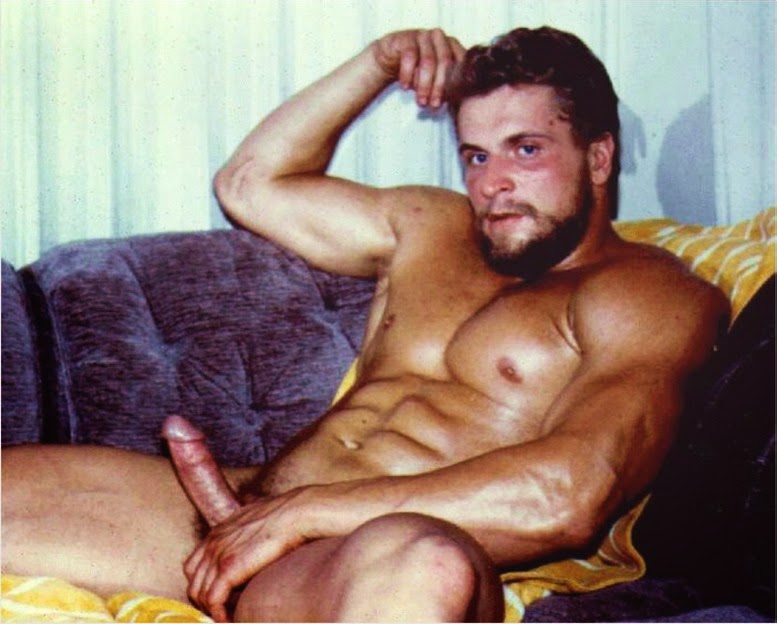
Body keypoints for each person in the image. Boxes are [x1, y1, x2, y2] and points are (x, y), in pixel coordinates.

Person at [2, 26, 729, 623]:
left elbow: (567, 494)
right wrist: (377, 62)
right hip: (239, 505)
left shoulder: (644, 293)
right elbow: (249, 185)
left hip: (365, 557)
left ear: (598, 157)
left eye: (526, 149)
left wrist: (308, 516)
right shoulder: (434, 225)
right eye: (475, 155)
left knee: (428, 568)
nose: (492, 182)